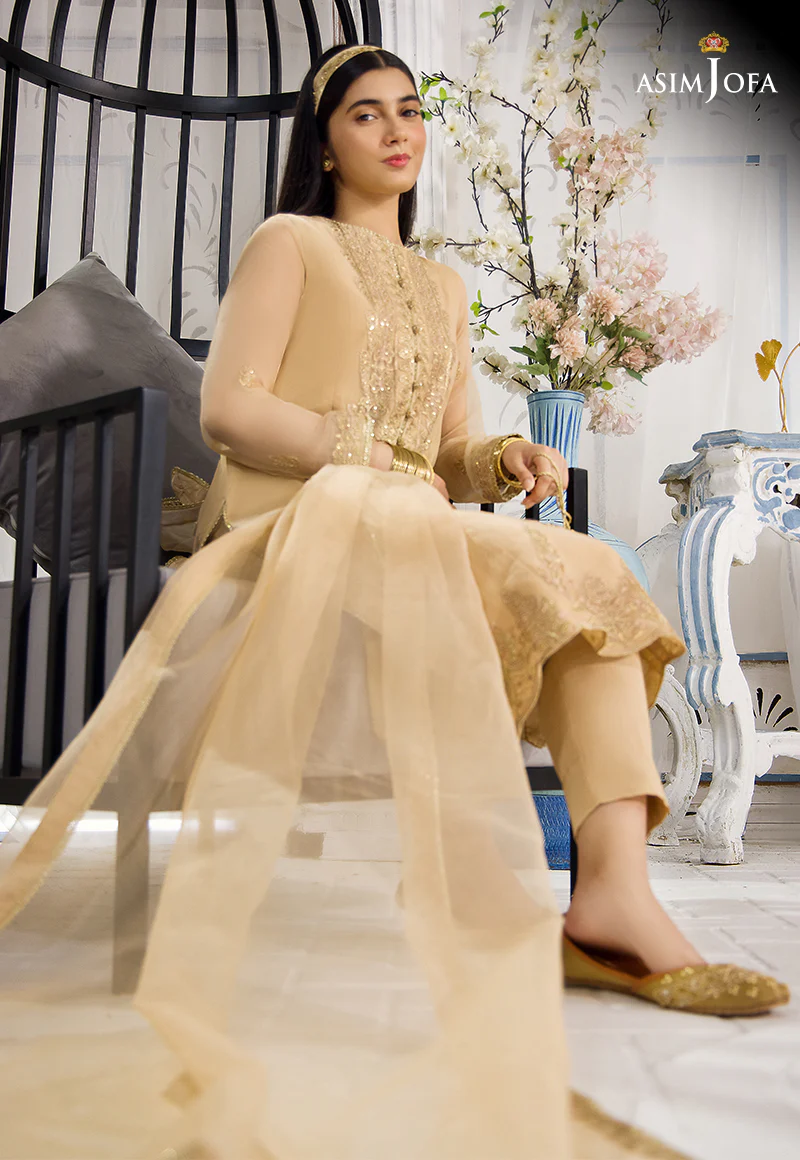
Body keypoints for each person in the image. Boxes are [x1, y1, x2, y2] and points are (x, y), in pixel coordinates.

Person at [0, 43, 788, 1160]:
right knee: (559, 571)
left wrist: (504, 455)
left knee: (596, 573)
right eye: (365, 114)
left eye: (409, 110)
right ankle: (602, 904)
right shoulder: (289, 243)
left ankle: (611, 898)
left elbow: (447, 451)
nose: (396, 129)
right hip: (296, 524)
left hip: (410, 523)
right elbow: (230, 409)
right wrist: (365, 452)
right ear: (324, 144)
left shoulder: (444, 286)